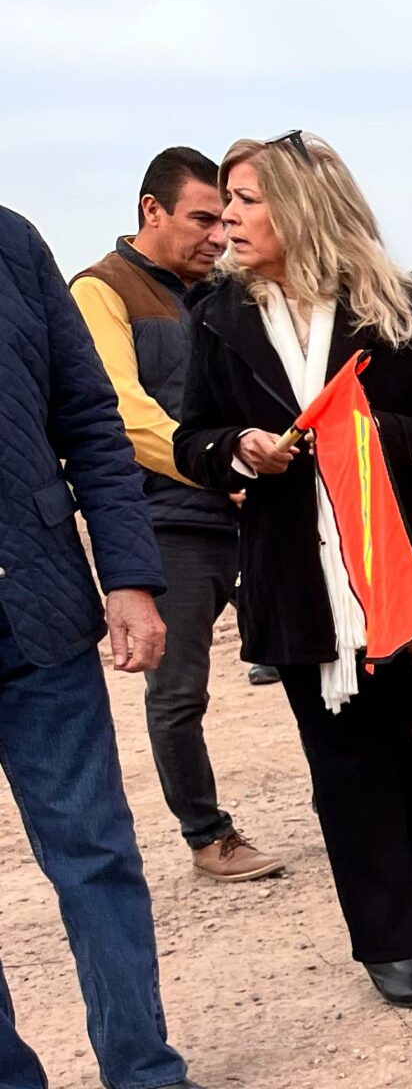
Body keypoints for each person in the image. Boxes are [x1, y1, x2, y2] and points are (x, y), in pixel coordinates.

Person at [177, 133, 412, 1011]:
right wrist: (237, 451)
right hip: (299, 580)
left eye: (245, 199)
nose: (228, 218)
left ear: (302, 206)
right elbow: (191, 435)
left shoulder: (407, 307)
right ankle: (387, 941)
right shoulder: (218, 315)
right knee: (347, 763)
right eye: (223, 202)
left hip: (410, 571)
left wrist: (362, 438)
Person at [0, 203, 250, 1089]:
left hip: (40, 612)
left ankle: (142, 1067)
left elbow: (90, 423)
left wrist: (131, 579)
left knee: (95, 849)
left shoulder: (15, 247)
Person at [70, 146, 283, 883]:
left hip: (252, 505)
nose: (218, 236)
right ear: (149, 210)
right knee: (180, 688)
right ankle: (207, 835)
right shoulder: (102, 291)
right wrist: (217, 461)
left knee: (305, 654)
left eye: (224, 220)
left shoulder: (226, 293)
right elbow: (120, 413)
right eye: (201, 219)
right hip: (170, 519)